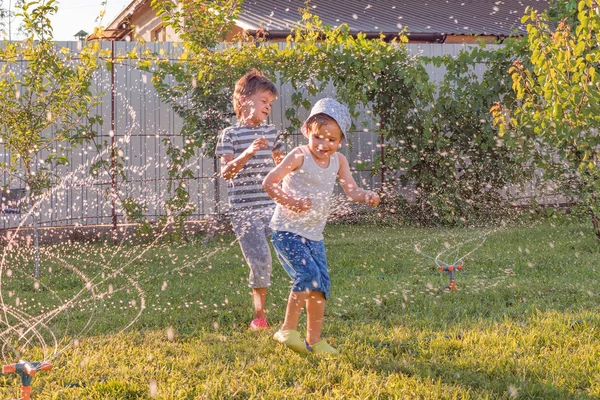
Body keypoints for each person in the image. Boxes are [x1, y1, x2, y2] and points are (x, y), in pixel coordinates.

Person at [263, 98, 380, 354]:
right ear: (307, 132)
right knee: (307, 276)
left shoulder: (339, 162)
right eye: (318, 137)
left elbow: (352, 191)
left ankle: (313, 340)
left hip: (314, 235)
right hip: (287, 230)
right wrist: (291, 201)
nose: (323, 144)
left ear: (340, 142)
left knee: (321, 285)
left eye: (331, 140)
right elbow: (269, 183)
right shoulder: (299, 156)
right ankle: (286, 330)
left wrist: (366, 196)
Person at [215, 69, 284, 331]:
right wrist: (248, 151)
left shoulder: (273, 133)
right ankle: (260, 316)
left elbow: (282, 168)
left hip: (272, 206)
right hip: (244, 211)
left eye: (270, 103)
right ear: (245, 101)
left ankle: (298, 305)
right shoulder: (230, 135)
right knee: (260, 261)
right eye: (264, 100)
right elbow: (226, 172)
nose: (268, 106)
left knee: (293, 252)